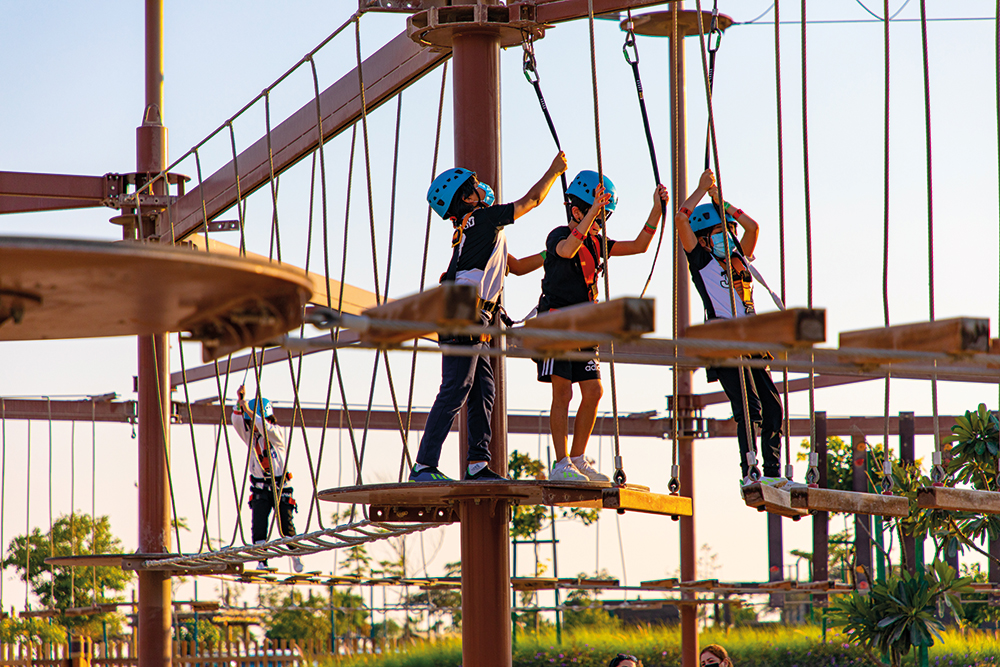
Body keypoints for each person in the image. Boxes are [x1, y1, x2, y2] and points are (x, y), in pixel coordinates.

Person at [410, 153, 568, 483]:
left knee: (483, 389)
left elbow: (518, 267)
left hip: (474, 314)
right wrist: (553, 171)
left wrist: (552, 253)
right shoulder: (482, 220)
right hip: (463, 311)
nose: (482, 188)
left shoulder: (479, 232)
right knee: (457, 387)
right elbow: (532, 201)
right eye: (474, 186)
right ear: (467, 198)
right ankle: (424, 465)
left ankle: (477, 464)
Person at [536, 170, 668, 482]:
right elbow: (567, 250)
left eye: (604, 216)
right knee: (563, 393)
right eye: (598, 214)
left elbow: (640, 245)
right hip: (557, 323)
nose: (601, 222)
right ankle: (561, 462)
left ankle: (579, 458)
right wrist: (592, 213)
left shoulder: (597, 243)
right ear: (578, 211)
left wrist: (656, 209)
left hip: (585, 328)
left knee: (594, 391)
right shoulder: (557, 235)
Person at [675, 169, 787, 490]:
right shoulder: (702, 263)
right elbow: (682, 221)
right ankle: (750, 470)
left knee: (772, 406)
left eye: (730, 237)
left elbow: (753, 227)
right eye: (722, 237)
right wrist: (700, 191)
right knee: (749, 406)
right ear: (707, 240)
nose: (729, 243)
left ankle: (774, 471)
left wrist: (722, 203)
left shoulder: (740, 260)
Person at [232, 385, 303, 572]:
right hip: (260, 488)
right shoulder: (251, 438)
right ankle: (262, 560)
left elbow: (263, 426)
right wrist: (240, 403)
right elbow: (236, 421)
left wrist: (248, 409)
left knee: (286, 526)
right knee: (259, 526)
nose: (251, 426)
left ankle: (295, 555)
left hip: (281, 487)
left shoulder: (277, 434)